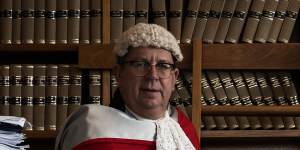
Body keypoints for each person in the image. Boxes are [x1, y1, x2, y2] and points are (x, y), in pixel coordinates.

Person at [55, 23, 200, 150]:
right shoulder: (89, 128)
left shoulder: (184, 128)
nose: (153, 75)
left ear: (174, 77)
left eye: (163, 66)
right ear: (119, 73)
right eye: (140, 64)